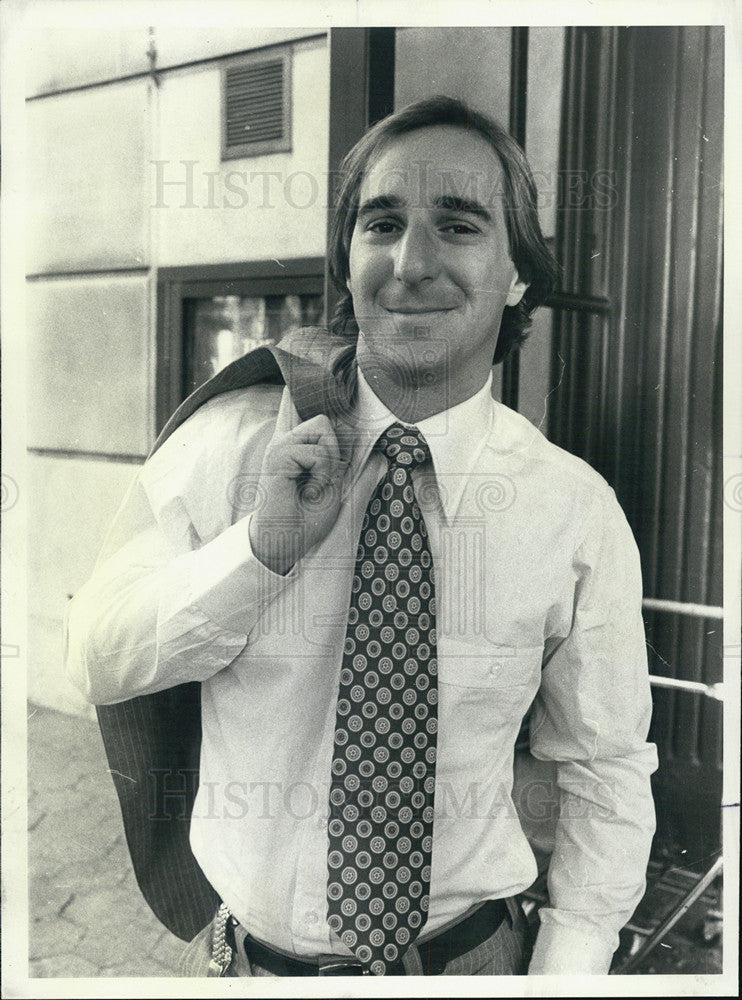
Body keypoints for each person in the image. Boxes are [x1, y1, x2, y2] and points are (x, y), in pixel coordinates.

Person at [65, 95, 657, 977]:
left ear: (519, 273)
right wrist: (258, 554)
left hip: (471, 962)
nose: (411, 263)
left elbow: (604, 766)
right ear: (347, 262)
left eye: (457, 225)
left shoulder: (572, 510)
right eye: (382, 223)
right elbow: (94, 661)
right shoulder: (232, 443)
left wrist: (567, 970)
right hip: (244, 969)